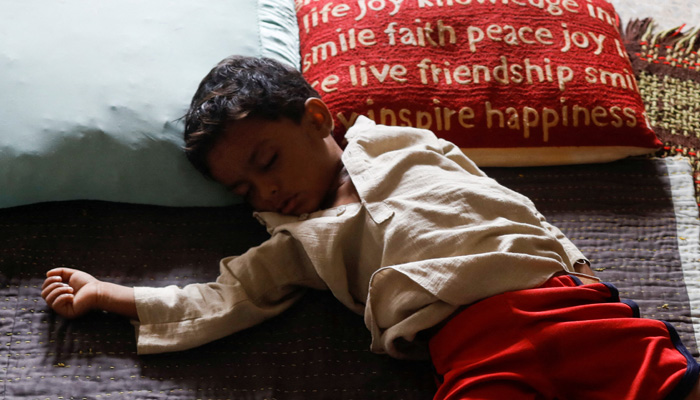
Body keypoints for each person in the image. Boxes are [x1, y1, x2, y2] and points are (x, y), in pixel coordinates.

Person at [42, 55, 700, 400]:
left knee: (668, 381)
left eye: (267, 161)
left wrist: (576, 262)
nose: (267, 191)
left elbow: (504, 201)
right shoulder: (296, 242)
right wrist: (111, 295)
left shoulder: (407, 144)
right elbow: (220, 296)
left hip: (555, 299)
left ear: (318, 120)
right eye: (245, 190)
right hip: (470, 347)